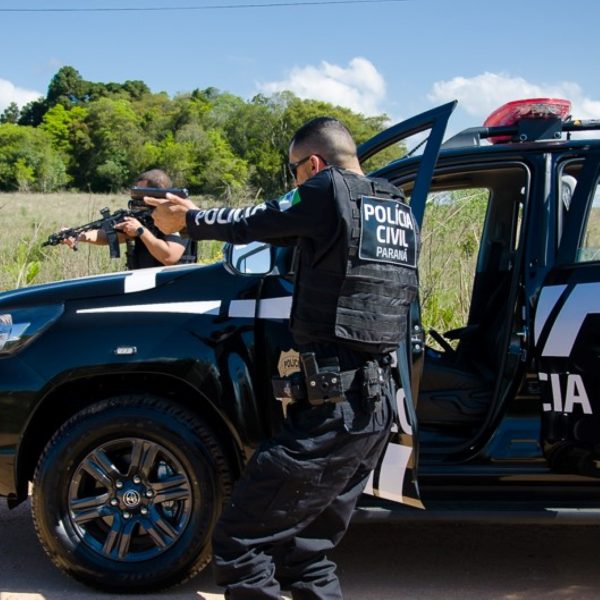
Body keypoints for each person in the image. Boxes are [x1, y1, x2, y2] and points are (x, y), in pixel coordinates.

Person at [147, 117, 419, 599]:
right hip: (374, 410)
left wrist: (187, 219)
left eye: (293, 171)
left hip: (333, 412)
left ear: (312, 163)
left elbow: (256, 220)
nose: (294, 181)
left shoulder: (325, 191)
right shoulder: (395, 206)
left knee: (239, 543)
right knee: (305, 551)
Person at [62, 169, 197, 269]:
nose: (137, 200)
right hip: (145, 284)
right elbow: (111, 234)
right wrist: (79, 236)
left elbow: (170, 256)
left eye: (141, 194)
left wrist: (140, 231)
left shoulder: (176, 215)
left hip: (173, 286)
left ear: (158, 194)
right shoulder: (143, 216)